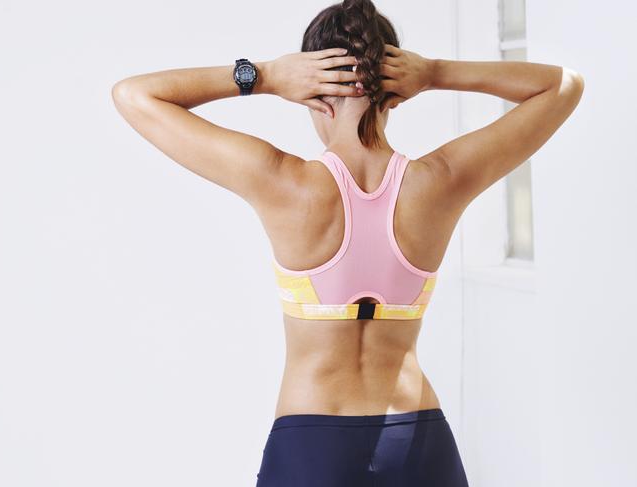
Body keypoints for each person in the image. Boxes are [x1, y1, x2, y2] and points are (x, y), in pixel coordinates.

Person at [111, 0, 584, 484]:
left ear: (310, 91)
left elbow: (134, 95)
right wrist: (435, 72)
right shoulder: (441, 180)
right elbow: (562, 86)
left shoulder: (281, 182)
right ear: (395, 92)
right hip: (417, 439)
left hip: (310, 441)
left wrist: (266, 75)